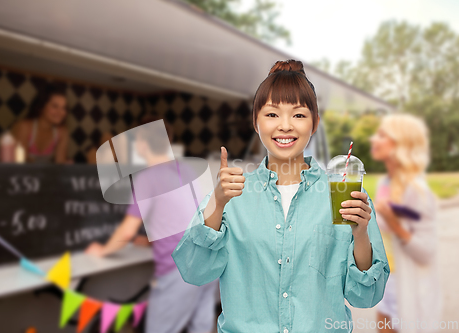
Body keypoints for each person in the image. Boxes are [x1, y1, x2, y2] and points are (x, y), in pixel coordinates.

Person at [172, 59, 390, 333]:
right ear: (256, 122)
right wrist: (217, 203)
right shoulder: (230, 194)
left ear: (314, 123)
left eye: (298, 115)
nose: (285, 126)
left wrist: (360, 234)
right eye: (272, 114)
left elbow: (366, 297)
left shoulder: (343, 193)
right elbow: (193, 272)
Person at [86, 115, 218, 333]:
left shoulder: (147, 177)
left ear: (141, 143)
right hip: (208, 259)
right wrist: (150, 240)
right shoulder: (185, 170)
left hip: (181, 268)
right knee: (200, 329)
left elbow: (126, 232)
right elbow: (187, 215)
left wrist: (102, 250)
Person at [370, 114, 442, 333]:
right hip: (386, 282)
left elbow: (427, 252)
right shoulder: (384, 183)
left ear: (400, 144)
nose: (373, 139)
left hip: (408, 288)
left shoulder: (417, 191)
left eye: (382, 135)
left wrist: (396, 225)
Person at [11, 83, 70, 164]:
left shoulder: (62, 132)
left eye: (64, 108)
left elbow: (60, 164)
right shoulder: (24, 127)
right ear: (41, 107)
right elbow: (21, 163)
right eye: (55, 106)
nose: (61, 112)